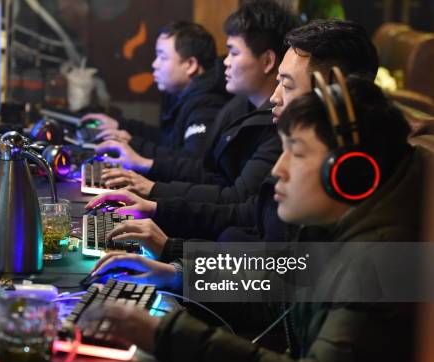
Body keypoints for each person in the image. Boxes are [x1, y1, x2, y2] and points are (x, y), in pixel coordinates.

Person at [81, 76, 426, 362]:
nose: (278, 169)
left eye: (298, 153)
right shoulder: (345, 226)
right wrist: (175, 273)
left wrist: (165, 333)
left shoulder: (379, 265)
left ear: (350, 174)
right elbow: (277, 279)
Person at [84, 19, 381, 252]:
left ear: (331, 92)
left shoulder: (353, 196)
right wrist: (164, 227)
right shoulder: (246, 111)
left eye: (288, 85)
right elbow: (250, 216)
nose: (276, 98)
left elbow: (273, 292)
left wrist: (173, 257)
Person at [94, 0, 298, 202]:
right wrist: (132, 142)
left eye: (234, 53)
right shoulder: (238, 106)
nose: (225, 61)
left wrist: (153, 187)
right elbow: (208, 171)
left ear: (268, 61)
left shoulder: (273, 124)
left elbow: (234, 197)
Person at [82, 21, 228, 159]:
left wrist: (133, 145)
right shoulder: (183, 94)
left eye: (162, 57)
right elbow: (169, 142)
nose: (154, 64)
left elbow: (192, 163)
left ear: (190, 65)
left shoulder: (207, 104)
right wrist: (120, 126)